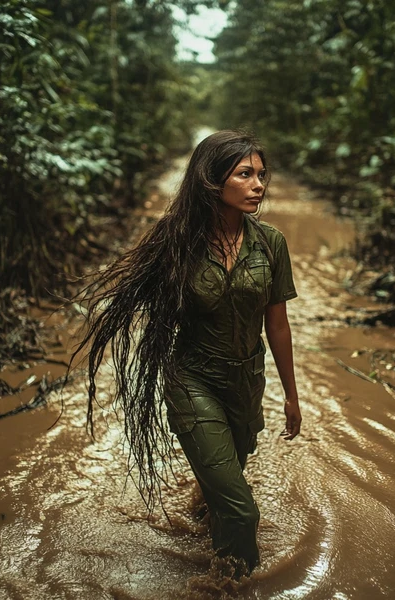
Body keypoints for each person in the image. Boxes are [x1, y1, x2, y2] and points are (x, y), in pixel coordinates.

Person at [77, 130, 301, 576]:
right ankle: (229, 581)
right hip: (191, 380)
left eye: (261, 174)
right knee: (241, 512)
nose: (259, 184)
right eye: (245, 174)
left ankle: (208, 501)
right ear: (212, 182)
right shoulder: (176, 240)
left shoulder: (271, 243)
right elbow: (137, 302)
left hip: (245, 383)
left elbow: (277, 325)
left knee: (225, 481)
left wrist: (293, 397)